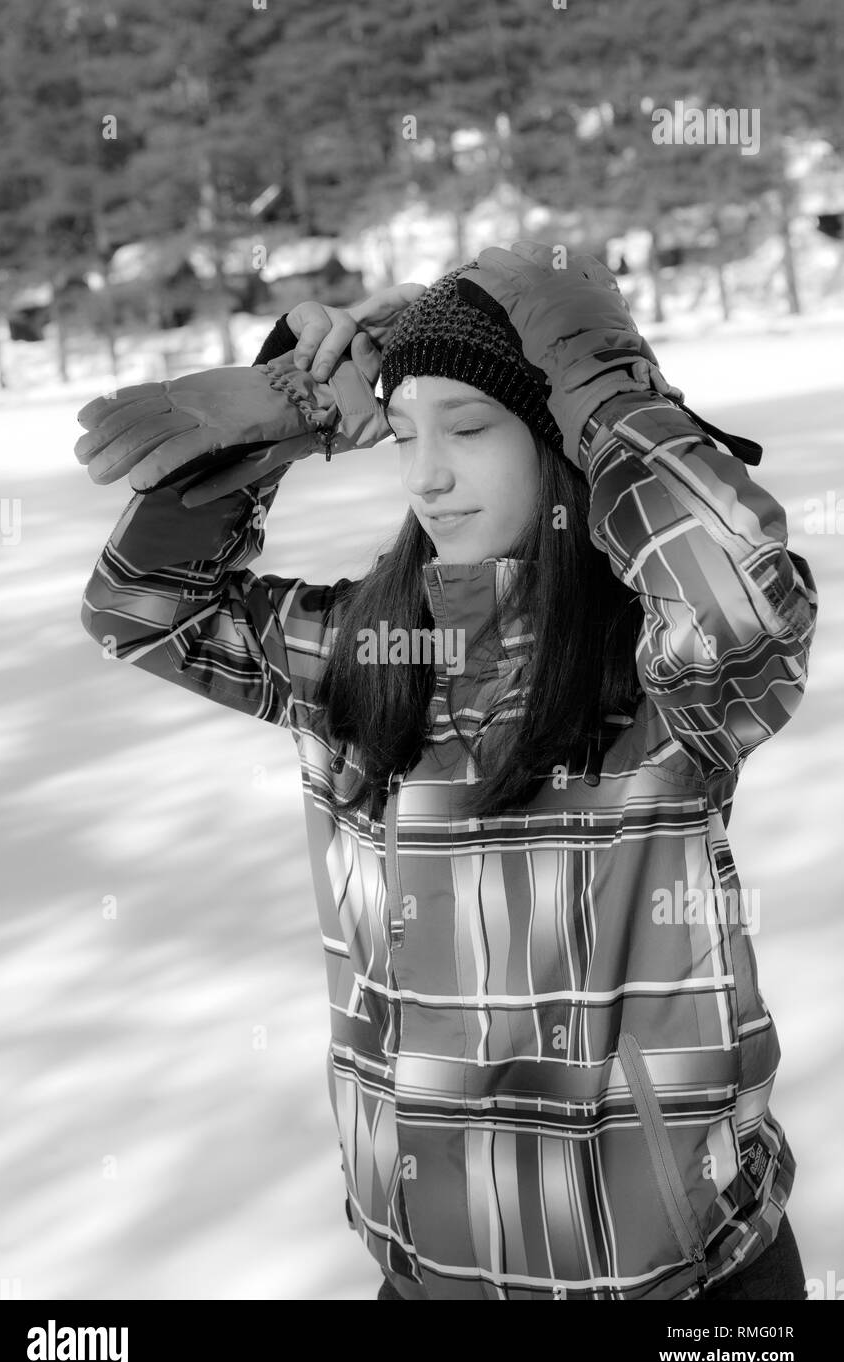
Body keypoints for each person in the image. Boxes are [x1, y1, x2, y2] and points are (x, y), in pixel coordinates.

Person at [76, 244, 817, 1300]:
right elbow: (141, 607)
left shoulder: (657, 673)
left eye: (468, 429)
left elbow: (743, 611)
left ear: (561, 443)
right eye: (405, 432)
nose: (426, 474)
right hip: (428, 1279)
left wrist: (610, 391)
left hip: (693, 1284)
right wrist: (280, 432)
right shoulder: (360, 655)